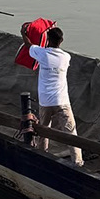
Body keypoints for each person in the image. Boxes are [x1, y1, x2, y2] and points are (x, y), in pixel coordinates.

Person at [22, 27, 83, 167]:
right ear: (62, 41)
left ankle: (42, 156)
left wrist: (23, 33)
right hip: (62, 101)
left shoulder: (42, 54)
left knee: (43, 131)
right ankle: (78, 162)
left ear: (47, 39)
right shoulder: (66, 57)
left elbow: (28, 45)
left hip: (45, 101)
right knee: (71, 132)